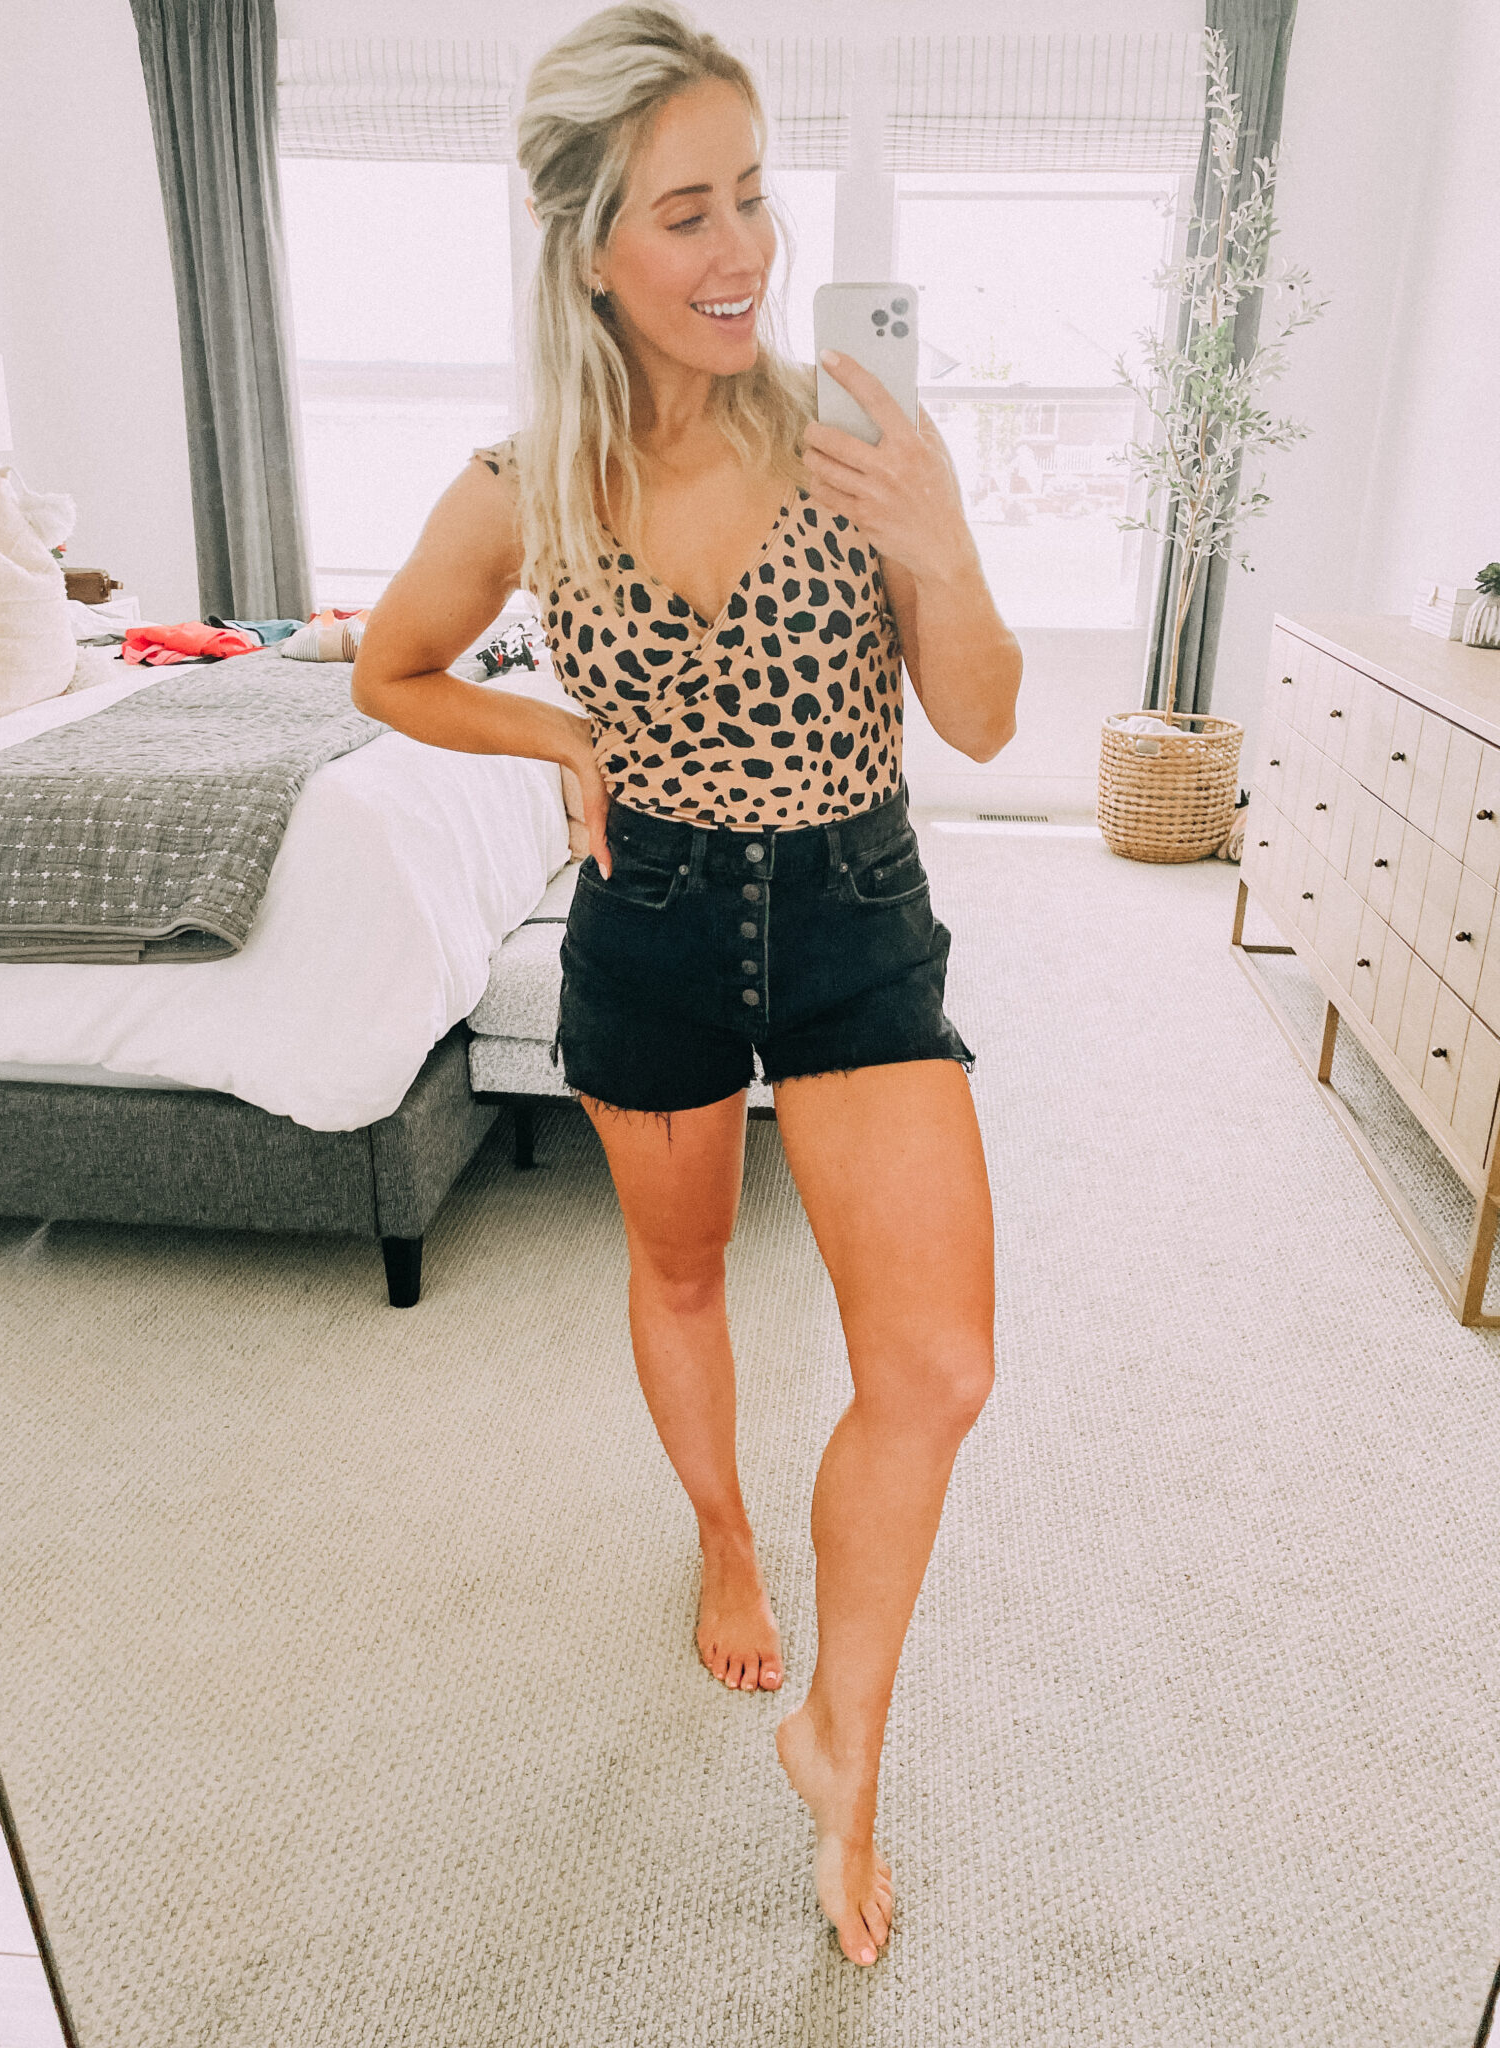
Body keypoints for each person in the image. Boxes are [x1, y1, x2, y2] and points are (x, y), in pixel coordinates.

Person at [351, 2, 1022, 1971]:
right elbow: (392, 669)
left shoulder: (855, 435)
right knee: (681, 1268)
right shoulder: (523, 483)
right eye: (687, 212)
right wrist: (555, 733)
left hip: (854, 905)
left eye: (754, 195)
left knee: (939, 1366)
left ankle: (841, 1740)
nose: (743, 250)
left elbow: (985, 720)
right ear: (587, 246)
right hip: (648, 911)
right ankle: (727, 1534)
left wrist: (946, 547)